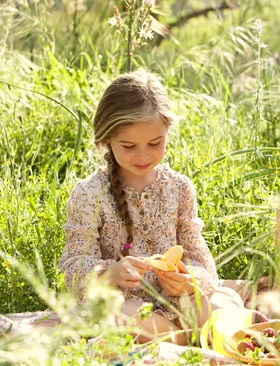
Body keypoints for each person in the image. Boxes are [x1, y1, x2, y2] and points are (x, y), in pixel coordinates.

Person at [59, 69, 243, 345]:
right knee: (119, 317)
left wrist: (190, 279)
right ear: (106, 139)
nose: (143, 155)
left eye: (155, 143)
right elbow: (73, 268)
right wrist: (110, 273)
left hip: (177, 304)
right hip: (124, 305)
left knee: (227, 305)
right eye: (129, 145)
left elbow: (202, 260)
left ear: (167, 130)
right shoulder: (90, 193)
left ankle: (173, 339)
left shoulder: (179, 188)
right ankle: (184, 340)